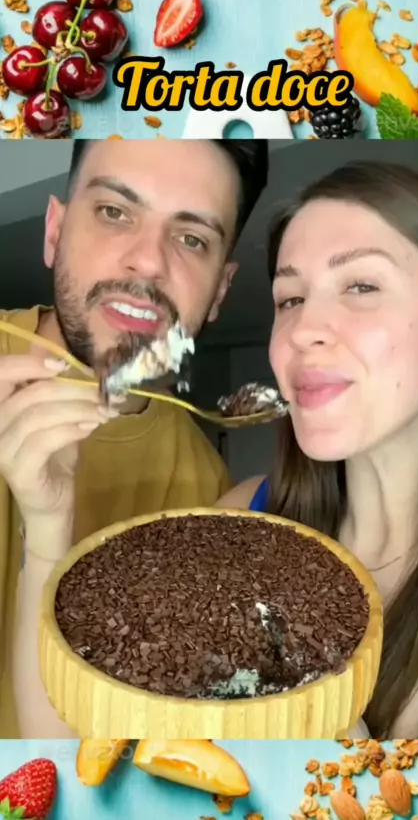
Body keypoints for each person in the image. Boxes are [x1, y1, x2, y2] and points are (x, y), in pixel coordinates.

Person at [0, 137, 268, 737]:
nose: (148, 262)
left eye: (192, 239)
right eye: (114, 212)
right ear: (54, 232)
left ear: (221, 291)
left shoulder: (207, 489)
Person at [219, 159, 418, 738]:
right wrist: (47, 525)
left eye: (362, 286)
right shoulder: (238, 524)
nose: (303, 330)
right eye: (290, 299)